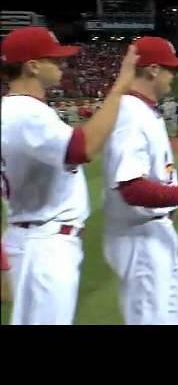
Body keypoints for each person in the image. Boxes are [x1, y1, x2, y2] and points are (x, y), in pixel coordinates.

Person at [0, 26, 138, 325]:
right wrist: (119, 88)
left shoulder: (14, 110)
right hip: (43, 243)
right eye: (54, 59)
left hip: (32, 235)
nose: (63, 64)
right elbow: (84, 148)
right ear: (32, 65)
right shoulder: (25, 112)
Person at [101, 36, 178, 325]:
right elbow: (132, 189)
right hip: (139, 237)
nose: (175, 75)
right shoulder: (129, 114)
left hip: (152, 233)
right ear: (153, 69)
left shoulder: (142, 111)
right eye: (171, 68)